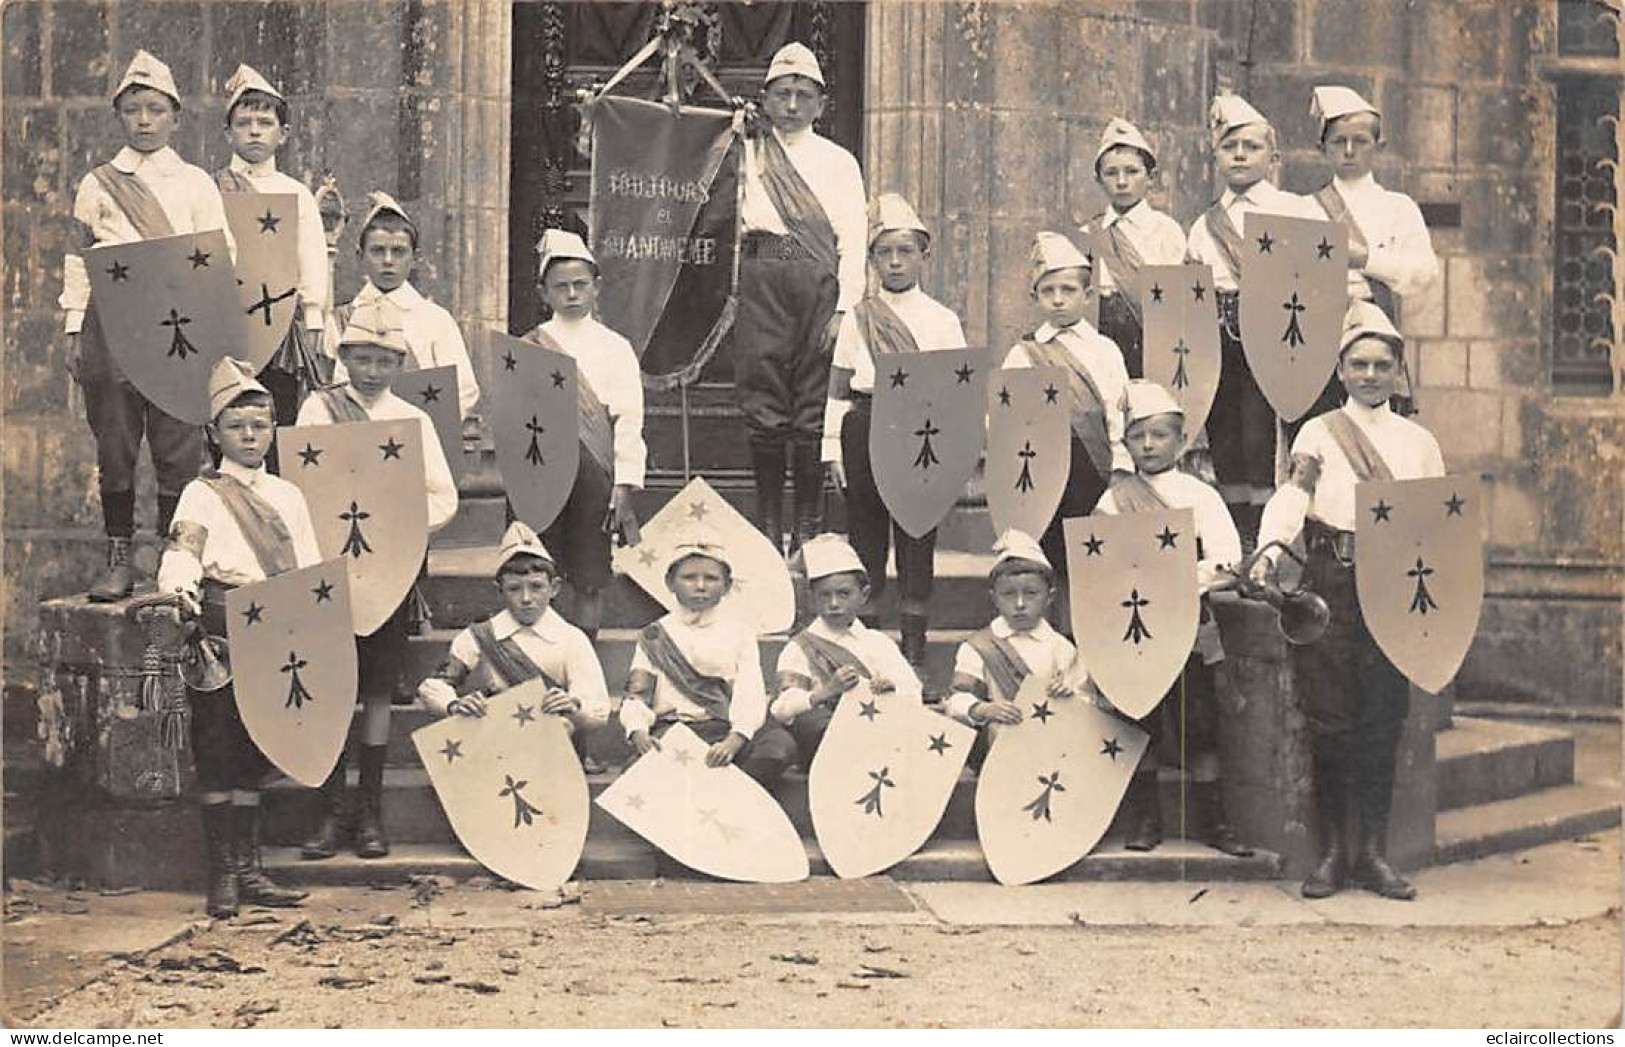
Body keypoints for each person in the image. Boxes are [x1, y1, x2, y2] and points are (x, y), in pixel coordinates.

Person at [1252, 301, 1445, 901]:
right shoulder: (1318, 432)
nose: (1369, 375)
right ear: (1340, 371)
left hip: (1393, 581)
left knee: (1383, 716)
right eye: (1358, 365)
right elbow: (1295, 494)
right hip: (1332, 580)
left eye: (1380, 365)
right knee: (1331, 716)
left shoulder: (1417, 442)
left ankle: (1373, 855)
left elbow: (1438, 520)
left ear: (1397, 371)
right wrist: (1270, 546)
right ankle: (1334, 852)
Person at [62, 50, 235, 601]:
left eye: (154, 109)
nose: (143, 120)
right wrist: (72, 326)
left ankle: (173, 557)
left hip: (177, 323)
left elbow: (219, 253)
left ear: (175, 117)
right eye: (133, 109)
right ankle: (117, 553)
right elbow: (78, 257)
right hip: (110, 324)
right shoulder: (98, 184)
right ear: (119, 115)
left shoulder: (196, 183)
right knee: (114, 441)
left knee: (177, 442)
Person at [294, 298, 458, 860]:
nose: (372, 371)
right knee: (335, 689)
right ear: (344, 356)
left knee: (378, 692)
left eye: (384, 361)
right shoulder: (319, 410)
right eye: (362, 358)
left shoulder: (414, 420)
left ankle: (370, 810)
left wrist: (402, 525)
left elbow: (444, 496)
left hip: (386, 571)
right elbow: (300, 484)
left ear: (399, 365)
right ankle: (329, 809)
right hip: (331, 573)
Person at [156, 357, 318, 917]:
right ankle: (222, 872)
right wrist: (182, 593)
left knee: (255, 749)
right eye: (237, 427)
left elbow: (307, 566)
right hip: (221, 628)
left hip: (275, 628)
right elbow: (183, 551)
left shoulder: (288, 496)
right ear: (214, 433)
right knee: (219, 748)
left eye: (259, 426)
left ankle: (252, 870)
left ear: (273, 430)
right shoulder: (201, 494)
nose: (250, 437)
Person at [1093, 381, 1251, 856]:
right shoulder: (1113, 501)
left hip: (1188, 628)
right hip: (1134, 627)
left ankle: (1214, 821)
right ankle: (1146, 820)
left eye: (1159, 435)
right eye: (1138, 437)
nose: (1148, 446)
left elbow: (1228, 561)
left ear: (1180, 442)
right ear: (1126, 444)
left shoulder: (1200, 497)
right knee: (1140, 719)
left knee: (1200, 725)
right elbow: (1100, 566)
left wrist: (1177, 581)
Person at [734, 42, 867, 552]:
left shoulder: (838, 162)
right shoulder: (744, 150)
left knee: (812, 404)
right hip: (762, 278)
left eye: (802, 95)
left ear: (820, 104)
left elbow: (852, 237)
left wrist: (844, 310)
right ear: (765, 99)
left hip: (817, 283)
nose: (792, 105)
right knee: (764, 402)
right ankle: (769, 527)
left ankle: (808, 526)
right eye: (782, 94)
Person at [823, 193, 966, 663]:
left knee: (915, 532)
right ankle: (864, 636)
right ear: (872, 260)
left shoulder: (942, 320)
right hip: (864, 423)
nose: (896, 262)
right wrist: (831, 449)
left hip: (920, 430)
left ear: (924, 255)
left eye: (905, 251)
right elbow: (839, 389)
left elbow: (955, 395)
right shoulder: (859, 319)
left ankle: (912, 639)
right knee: (865, 531)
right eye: (884, 252)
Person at [1185, 92, 1327, 541]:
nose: (1240, 155)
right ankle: (1237, 536)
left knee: (1263, 440)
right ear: (1216, 158)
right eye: (1230, 147)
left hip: (1276, 339)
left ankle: (1273, 539)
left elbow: (1316, 282)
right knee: (1225, 438)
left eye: (1251, 146)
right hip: (1219, 341)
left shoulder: (1295, 210)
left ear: (1274, 157)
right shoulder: (1203, 224)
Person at [520, 230, 645, 642]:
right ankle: (543, 653)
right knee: (539, 565)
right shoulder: (528, 346)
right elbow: (516, 420)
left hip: (595, 472)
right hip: (541, 469)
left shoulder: (615, 347)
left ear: (596, 287)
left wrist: (625, 484)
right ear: (544, 292)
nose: (572, 294)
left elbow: (629, 419)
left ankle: (585, 658)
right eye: (561, 287)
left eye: (580, 285)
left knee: (590, 572)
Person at [1002, 232, 1133, 606]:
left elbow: (1118, 406)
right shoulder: (1024, 353)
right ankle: (1058, 635)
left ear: (1088, 295)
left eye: (1068, 290)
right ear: (1035, 297)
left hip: (1095, 468)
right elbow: (1008, 420)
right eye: (1048, 291)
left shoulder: (1105, 350)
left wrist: (1121, 465)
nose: (1058, 300)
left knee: (1094, 554)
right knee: (1053, 553)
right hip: (1047, 470)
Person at [1297, 85, 1440, 423]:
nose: (1349, 150)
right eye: (1338, 142)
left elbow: (1423, 272)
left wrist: (1365, 260)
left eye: (1360, 141)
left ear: (1379, 145)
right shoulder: (1303, 208)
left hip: (1375, 330)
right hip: (1315, 333)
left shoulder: (1398, 208)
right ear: (1322, 148)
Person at [215, 63, 332, 453]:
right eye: (244, 121)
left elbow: (312, 257)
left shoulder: (295, 194)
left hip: (278, 326)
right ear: (227, 131)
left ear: (283, 134)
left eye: (264, 122)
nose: (253, 130)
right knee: (226, 415)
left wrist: (313, 315)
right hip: (226, 325)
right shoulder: (210, 189)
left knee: (277, 419)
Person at [617, 543, 797, 790]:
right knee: (639, 775)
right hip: (675, 728)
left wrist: (734, 740)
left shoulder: (740, 632)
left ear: (727, 586)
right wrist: (638, 732)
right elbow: (636, 695)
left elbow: (749, 693)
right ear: (670, 583)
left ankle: (722, 796)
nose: (700, 586)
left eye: (711, 578)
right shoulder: (655, 635)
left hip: (725, 726)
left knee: (777, 750)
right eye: (689, 577)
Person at [417, 521, 610, 747]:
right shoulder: (480, 635)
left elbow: (599, 708)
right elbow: (433, 685)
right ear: (499, 590)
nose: (526, 598)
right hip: (495, 747)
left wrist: (574, 705)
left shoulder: (571, 639)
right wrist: (453, 705)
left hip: (555, 752)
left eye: (536, 587)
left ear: (554, 588)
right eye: (514, 589)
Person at [769, 534, 922, 770]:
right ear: (811, 599)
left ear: (864, 594)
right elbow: (782, 708)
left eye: (844, 594)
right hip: (821, 743)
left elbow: (912, 692)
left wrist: (891, 689)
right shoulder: (800, 647)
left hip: (875, 734)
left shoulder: (878, 643)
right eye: (824, 595)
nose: (834, 604)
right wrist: (826, 691)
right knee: (815, 723)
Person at [944, 531, 1091, 770]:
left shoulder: (1061, 648)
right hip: (998, 754)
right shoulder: (978, 647)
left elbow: (1087, 701)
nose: (1020, 604)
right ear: (994, 597)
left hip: (1051, 752)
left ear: (1049, 596)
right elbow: (956, 700)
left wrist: (1068, 695)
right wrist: (982, 709)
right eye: (1009, 594)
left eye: (1031, 593)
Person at [339, 192, 480, 426]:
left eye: (398, 252)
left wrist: (419, 428)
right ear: (360, 256)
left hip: (420, 437)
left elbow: (464, 389)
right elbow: (336, 389)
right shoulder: (341, 319)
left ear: (414, 258)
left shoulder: (435, 320)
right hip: (358, 436)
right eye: (377, 250)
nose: (387, 261)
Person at [1078, 119, 1188, 378]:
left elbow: (1178, 302)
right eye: (1111, 173)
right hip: (1102, 335)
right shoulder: (1086, 235)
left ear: (1150, 178)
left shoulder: (1166, 231)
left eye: (1132, 171)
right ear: (1098, 180)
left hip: (1151, 339)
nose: (1122, 181)